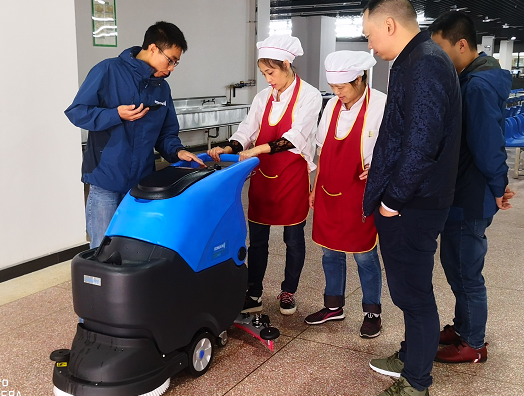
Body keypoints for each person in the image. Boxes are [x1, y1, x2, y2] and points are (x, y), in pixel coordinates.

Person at [361, 1, 462, 396]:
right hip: (411, 198)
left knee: (414, 294)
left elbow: (422, 143)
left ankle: (417, 386)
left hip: (413, 203)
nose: (370, 46)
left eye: (369, 35)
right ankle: (410, 356)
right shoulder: (414, 58)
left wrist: (393, 199)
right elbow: (406, 132)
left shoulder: (425, 63)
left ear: (389, 24)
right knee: (407, 289)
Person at [208, 35, 322, 315]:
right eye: (263, 74)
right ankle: (254, 291)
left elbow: (294, 137)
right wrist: (228, 147)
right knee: (257, 239)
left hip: (291, 177)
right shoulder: (262, 98)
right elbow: (246, 131)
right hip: (263, 177)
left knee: (293, 239)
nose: (268, 79)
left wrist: (256, 149)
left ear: (286, 65)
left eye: (271, 72)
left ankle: (288, 291)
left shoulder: (310, 96)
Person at [65, 21, 204, 249]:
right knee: (103, 250)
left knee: (135, 248)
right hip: (105, 181)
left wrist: (178, 151)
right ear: (153, 48)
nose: (171, 69)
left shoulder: (161, 88)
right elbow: (77, 112)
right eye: (170, 60)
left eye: (176, 63)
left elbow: (166, 132)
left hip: (141, 184)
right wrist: (115, 114)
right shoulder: (108, 71)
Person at [428, 12, 515, 364]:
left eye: (441, 48)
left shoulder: (477, 86)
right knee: (456, 266)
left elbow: (487, 144)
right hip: (462, 190)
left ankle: (474, 344)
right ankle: (463, 328)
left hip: (470, 195)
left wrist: (498, 185)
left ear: (462, 44)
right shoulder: (471, 78)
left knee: (466, 272)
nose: (438, 57)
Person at [304, 51, 386, 339]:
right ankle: (333, 306)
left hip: (360, 192)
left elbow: (396, 149)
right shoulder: (331, 106)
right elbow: (322, 148)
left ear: (359, 79)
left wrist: (380, 167)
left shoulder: (381, 104)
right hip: (328, 188)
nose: (337, 93)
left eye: (342, 87)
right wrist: (314, 187)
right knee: (330, 251)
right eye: (333, 87)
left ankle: (372, 312)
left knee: (364, 254)